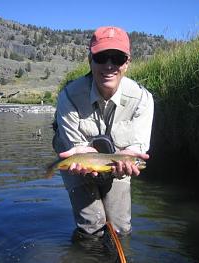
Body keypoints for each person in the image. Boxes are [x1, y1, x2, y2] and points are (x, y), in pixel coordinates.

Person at [52, 26, 154, 239]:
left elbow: (136, 149)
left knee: (120, 228)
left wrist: (128, 161)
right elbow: (75, 149)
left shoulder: (142, 100)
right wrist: (78, 153)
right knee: (91, 225)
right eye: (101, 57)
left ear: (127, 63)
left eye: (117, 58)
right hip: (78, 160)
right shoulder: (69, 96)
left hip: (116, 161)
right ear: (90, 59)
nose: (109, 65)